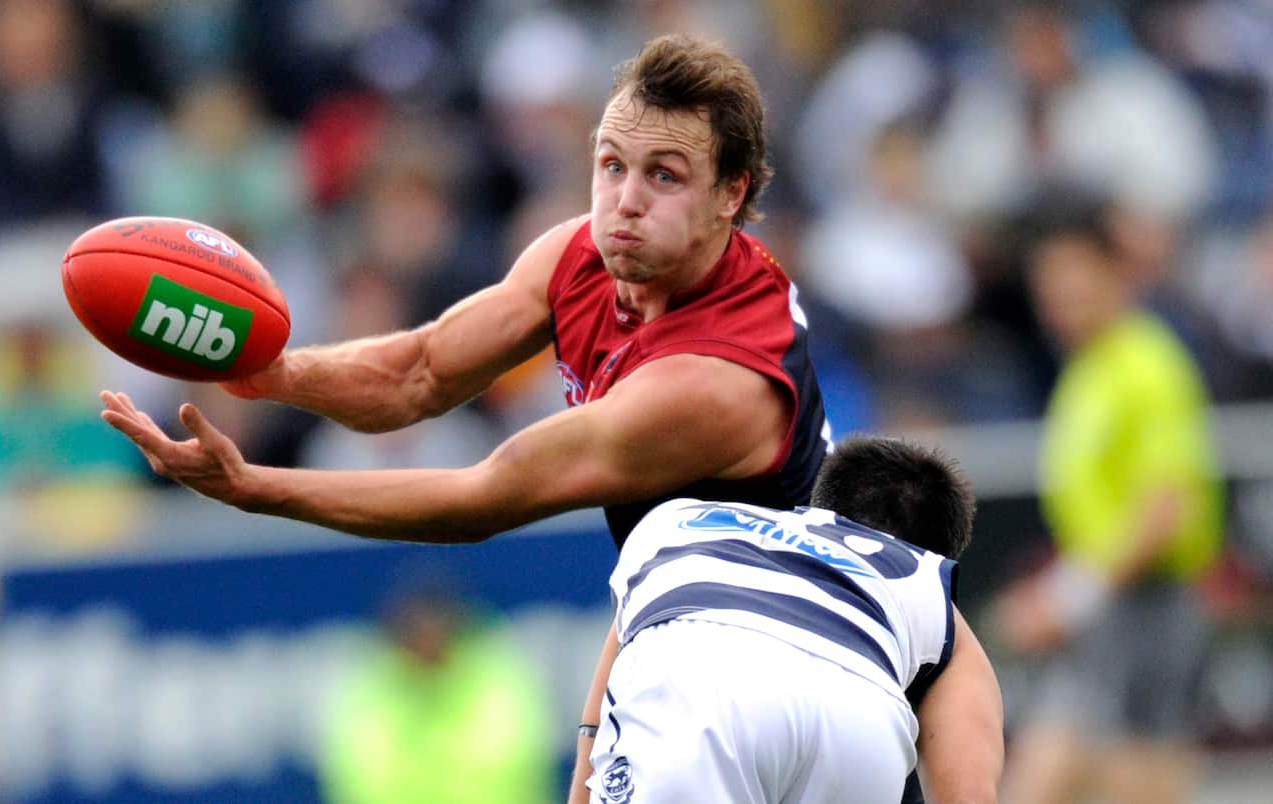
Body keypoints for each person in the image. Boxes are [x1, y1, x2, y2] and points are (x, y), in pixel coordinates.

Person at [100, 34, 950, 803]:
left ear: (732, 195)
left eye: (664, 175)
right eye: (612, 163)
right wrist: (270, 371)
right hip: (694, 647)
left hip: (787, 693)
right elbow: (420, 372)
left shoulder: (715, 382)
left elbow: (485, 496)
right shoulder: (579, 254)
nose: (623, 199)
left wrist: (257, 488)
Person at [584, 434, 1003, 803]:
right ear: (936, 554)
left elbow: (603, 698)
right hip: (859, 721)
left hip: (703, 682)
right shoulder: (922, 581)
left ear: (818, 505)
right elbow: (970, 792)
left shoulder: (681, 521)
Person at [994, 203, 1225, 804]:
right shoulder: (1087, 370)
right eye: (1047, 282)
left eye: (1072, 276)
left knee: (1129, 780)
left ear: (1113, 274)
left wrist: (1066, 600)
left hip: (1147, 609)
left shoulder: (1147, 366)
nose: (1058, 297)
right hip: (1106, 611)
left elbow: (1165, 510)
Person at [320, 578, 553, 804]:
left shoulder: (496, 674)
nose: (426, 644)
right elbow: (364, 778)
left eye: (434, 630)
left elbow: (504, 766)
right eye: (416, 633)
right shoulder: (372, 689)